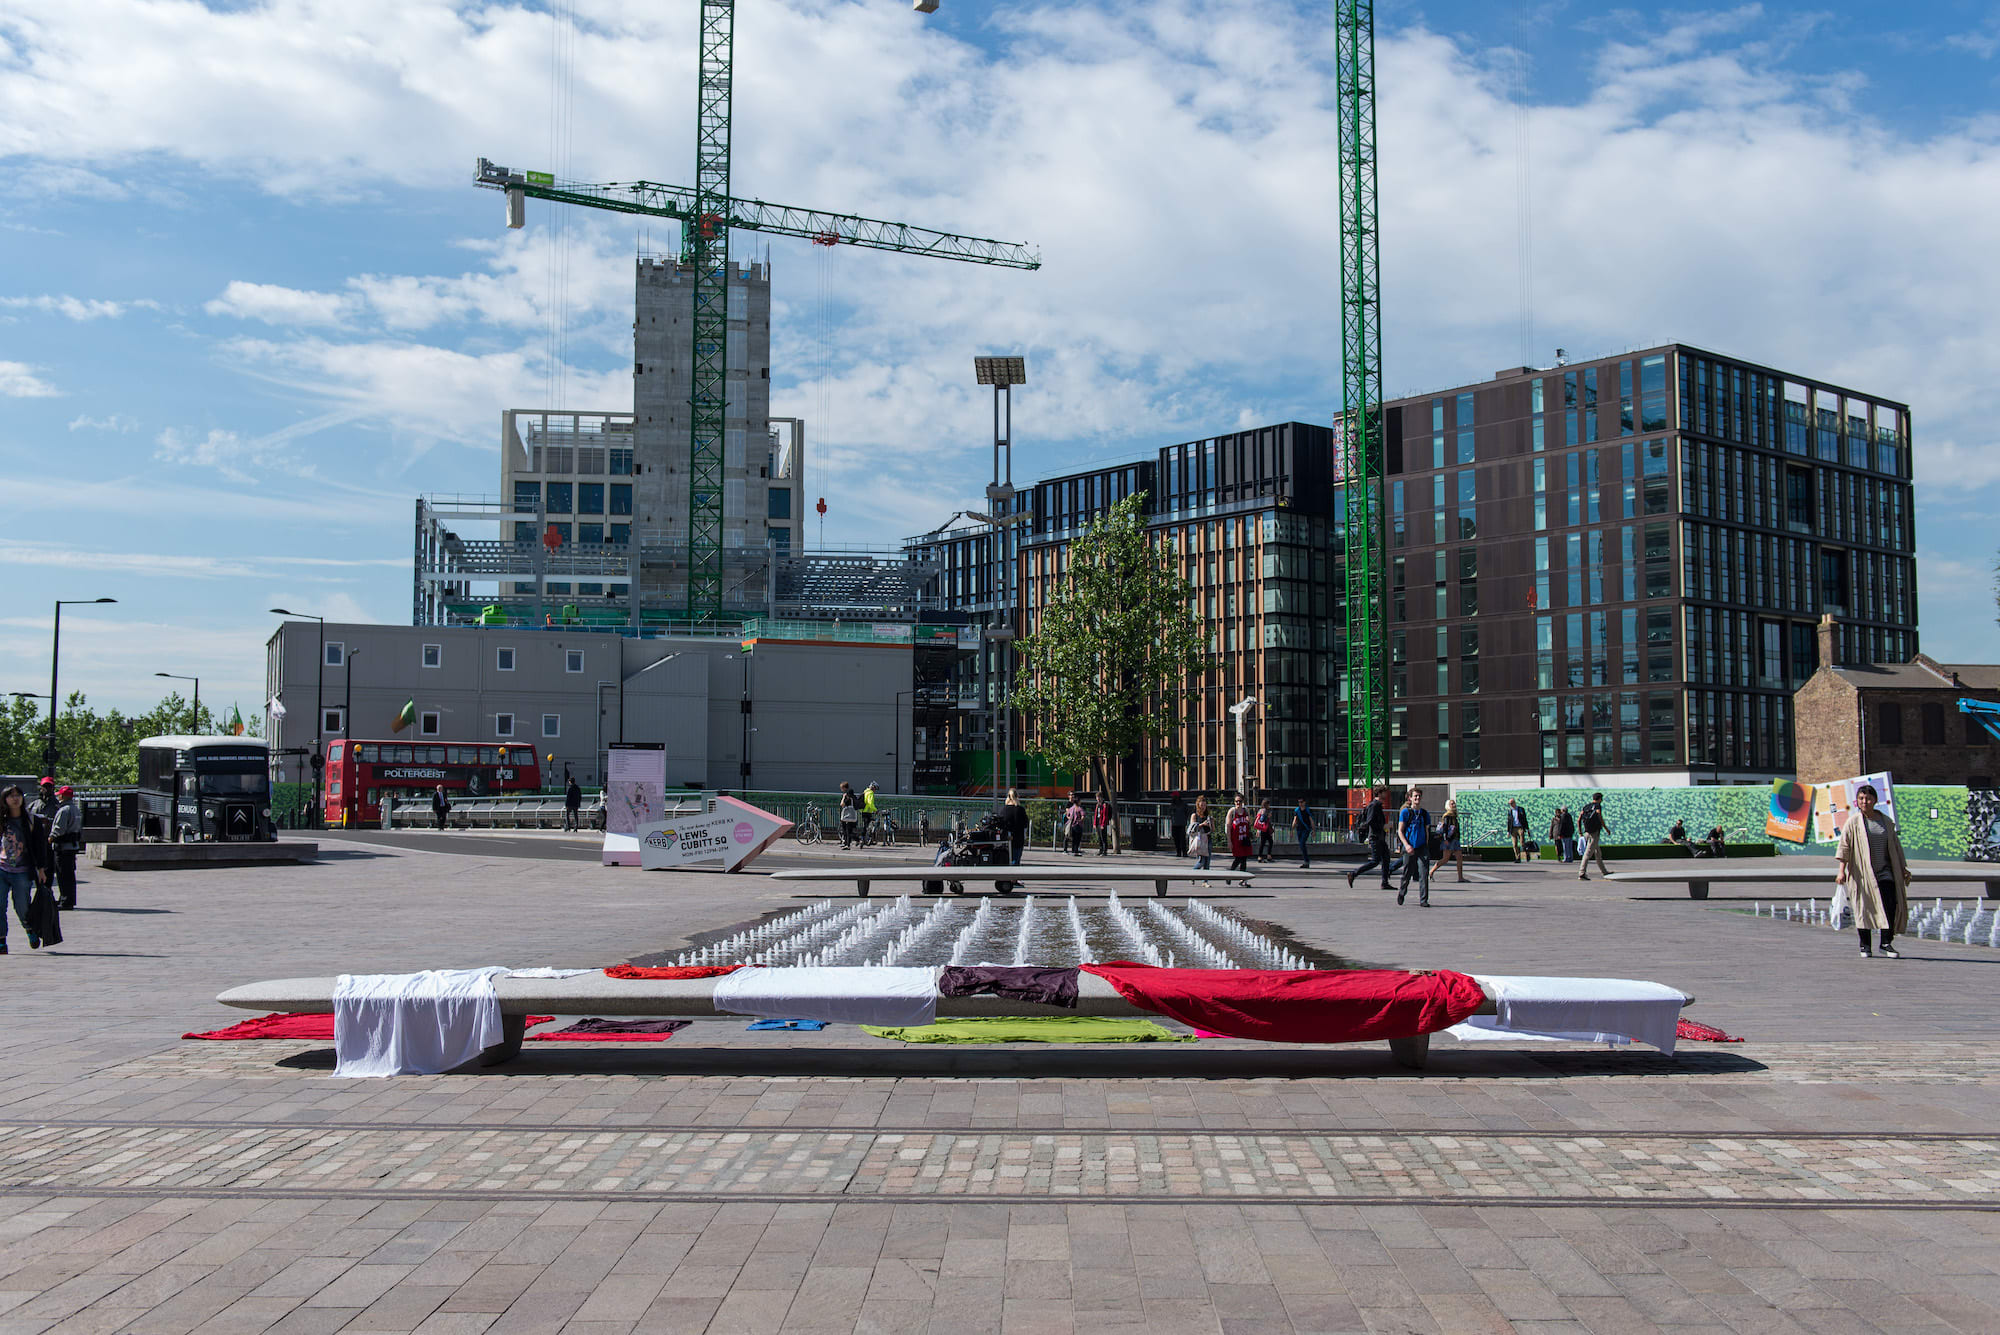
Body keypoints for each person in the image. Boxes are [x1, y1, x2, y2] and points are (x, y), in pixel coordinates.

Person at [1837, 783, 1910, 958]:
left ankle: (1886, 943)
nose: (1865, 802)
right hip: (1862, 873)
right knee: (1863, 908)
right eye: (1861, 798)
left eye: (1868, 798)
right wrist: (1841, 871)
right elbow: (1844, 847)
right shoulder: (1853, 822)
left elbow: (1895, 847)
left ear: (1875, 800)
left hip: (1885, 871)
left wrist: (1903, 867)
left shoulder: (1886, 822)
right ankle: (1865, 945)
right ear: (1857, 801)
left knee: (1890, 905)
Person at [0, 785, 52, 953]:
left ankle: (30, 929)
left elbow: (40, 846)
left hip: (22, 871)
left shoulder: (31, 820)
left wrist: (41, 869)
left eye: (18, 795)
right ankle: (1, 941)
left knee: (22, 906)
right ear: (5, 799)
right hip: (1, 869)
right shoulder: (1, 819)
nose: (15, 798)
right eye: (11, 796)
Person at [1346, 788, 1393, 889]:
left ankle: (1385, 882)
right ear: (1379, 793)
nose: (1386, 794)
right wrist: (1383, 826)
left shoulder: (1378, 805)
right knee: (1375, 861)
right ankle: (1353, 873)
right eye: (1384, 792)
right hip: (1375, 837)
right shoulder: (1374, 805)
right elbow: (1370, 821)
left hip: (1379, 836)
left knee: (1386, 858)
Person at [1395, 786, 1433, 907]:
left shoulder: (1424, 813)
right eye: (1415, 796)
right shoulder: (1406, 812)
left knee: (1423, 874)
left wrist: (1426, 845)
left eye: (1419, 796)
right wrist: (1406, 845)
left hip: (1422, 847)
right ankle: (1402, 892)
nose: (1417, 798)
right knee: (1407, 873)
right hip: (1409, 847)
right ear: (1410, 798)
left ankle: (1423, 900)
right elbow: (1400, 831)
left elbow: (1427, 831)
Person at [48, 784, 82, 910]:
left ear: (63, 796)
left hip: (63, 847)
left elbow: (58, 829)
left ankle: (65, 901)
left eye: (60, 795)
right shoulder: (76, 809)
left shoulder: (64, 810)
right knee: (69, 875)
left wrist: (50, 838)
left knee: (62, 875)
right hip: (72, 846)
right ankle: (67, 899)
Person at [1577, 792, 1610, 880]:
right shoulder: (1597, 806)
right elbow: (1599, 815)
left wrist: (1580, 832)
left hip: (1587, 832)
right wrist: (1606, 828)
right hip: (1594, 833)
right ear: (1599, 799)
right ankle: (1582, 873)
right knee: (1588, 853)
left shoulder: (1586, 806)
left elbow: (1578, 819)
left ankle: (1604, 872)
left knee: (1598, 853)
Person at [1438, 798, 1467, 883]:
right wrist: (1445, 839)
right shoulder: (1447, 816)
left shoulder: (1454, 815)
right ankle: (1431, 871)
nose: (1454, 805)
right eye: (1452, 804)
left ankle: (1460, 877)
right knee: (1445, 859)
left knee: (1459, 857)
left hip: (1455, 839)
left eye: (1454, 804)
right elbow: (1445, 828)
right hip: (1449, 840)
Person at [1000, 790, 1028, 866]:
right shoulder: (1020, 809)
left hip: (1005, 839)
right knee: (1016, 861)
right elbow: (1025, 824)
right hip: (1018, 839)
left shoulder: (1003, 810)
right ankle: (1014, 877)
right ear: (1017, 797)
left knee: (1005, 860)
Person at [1225, 796, 1253, 873]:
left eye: (1240, 801)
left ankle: (1242, 879)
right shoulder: (1232, 812)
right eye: (1236, 801)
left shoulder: (1246, 810)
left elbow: (1250, 823)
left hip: (1244, 838)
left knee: (1244, 859)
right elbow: (1228, 826)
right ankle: (1230, 874)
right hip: (1236, 840)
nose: (1238, 803)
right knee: (1238, 858)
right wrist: (1229, 841)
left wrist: (1249, 820)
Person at [1188, 795, 1212, 872]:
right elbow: (1192, 829)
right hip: (1200, 839)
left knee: (1207, 862)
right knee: (1202, 861)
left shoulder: (1208, 816)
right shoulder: (1194, 815)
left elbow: (1212, 829)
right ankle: (1192, 874)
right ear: (1198, 805)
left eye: (1204, 805)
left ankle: (1205, 882)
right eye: (1201, 805)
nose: (1203, 807)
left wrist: (1211, 823)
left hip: (1208, 839)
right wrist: (1202, 824)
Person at [1291, 797, 1316, 868]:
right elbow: (1295, 820)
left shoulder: (1308, 810)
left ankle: (1306, 861)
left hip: (1306, 829)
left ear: (1305, 802)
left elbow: (1311, 821)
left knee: (1302, 843)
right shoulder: (1297, 810)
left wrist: (1314, 830)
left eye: (1302, 802)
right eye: (1299, 802)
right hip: (1299, 829)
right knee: (1301, 845)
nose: (1300, 804)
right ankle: (1306, 861)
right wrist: (1292, 830)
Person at [1506, 798, 1530, 862]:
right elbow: (1509, 821)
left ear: (1514, 803)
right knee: (1514, 844)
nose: (1510, 805)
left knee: (1522, 843)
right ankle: (1518, 857)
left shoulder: (1520, 809)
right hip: (1513, 828)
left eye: (1511, 803)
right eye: (1509, 804)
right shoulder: (1510, 811)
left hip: (1520, 827)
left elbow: (1525, 819)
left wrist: (1527, 829)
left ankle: (1527, 853)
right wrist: (1508, 831)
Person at [837, 781, 860, 850]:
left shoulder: (848, 797)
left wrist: (843, 797)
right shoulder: (853, 797)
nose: (841, 790)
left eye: (842, 788)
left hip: (847, 817)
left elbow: (842, 804)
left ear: (844, 788)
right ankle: (846, 843)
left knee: (847, 831)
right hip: (852, 816)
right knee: (848, 831)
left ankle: (848, 844)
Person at [1168, 792, 1189, 860]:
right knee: (1176, 838)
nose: (1172, 798)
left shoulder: (1183, 804)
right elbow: (1170, 813)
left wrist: (1184, 820)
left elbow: (1187, 812)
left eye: (1173, 796)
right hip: (1174, 823)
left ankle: (1184, 852)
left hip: (1181, 823)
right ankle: (1178, 852)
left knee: (1182, 839)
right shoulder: (1172, 804)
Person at [1254, 799, 1275, 863]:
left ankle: (1261, 856)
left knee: (1263, 843)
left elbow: (1259, 820)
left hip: (1262, 829)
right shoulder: (1265, 811)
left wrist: (1258, 830)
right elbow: (1263, 819)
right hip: (1265, 829)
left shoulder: (1260, 810)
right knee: (1270, 842)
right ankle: (1267, 856)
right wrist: (1268, 817)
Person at [1093, 791, 1112, 857]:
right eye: (1097, 797)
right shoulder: (1097, 805)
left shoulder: (1104, 805)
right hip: (1098, 822)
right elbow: (1095, 814)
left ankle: (1104, 850)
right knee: (1099, 837)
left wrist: (1103, 824)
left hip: (1102, 823)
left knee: (1103, 837)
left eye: (1099, 797)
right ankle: (1100, 849)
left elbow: (1105, 815)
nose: (1098, 799)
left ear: (1101, 797)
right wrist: (1094, 823)